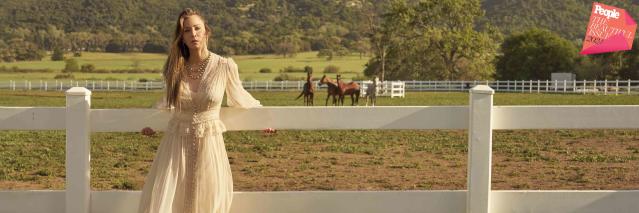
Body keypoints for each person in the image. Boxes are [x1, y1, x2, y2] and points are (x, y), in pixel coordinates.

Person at [138, 8, 261, 213]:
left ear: (206, 32)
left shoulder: (224, 66)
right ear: (182, 37)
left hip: (209, 146)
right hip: (175, 145)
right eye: (187, 30)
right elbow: (165, 103)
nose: (193, 34)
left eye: (197, 28)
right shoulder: (174, 68)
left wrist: (265, 120)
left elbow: (241, 97)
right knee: (170, 201)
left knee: (207, 201)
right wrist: (148, 124)